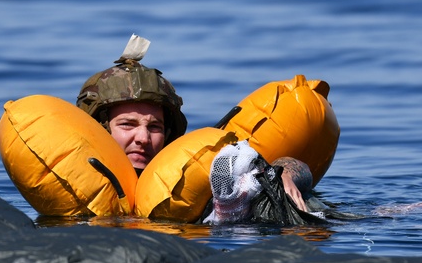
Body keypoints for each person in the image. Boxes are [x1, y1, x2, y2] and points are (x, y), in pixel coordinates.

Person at [75, 36, 315, 214]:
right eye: (128, 125)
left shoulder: (197, 179)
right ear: (100, 130)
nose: (143, 138)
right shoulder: (70, 190)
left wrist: (281, 175)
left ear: (169, 134)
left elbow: (295, 165)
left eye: (154, 127)